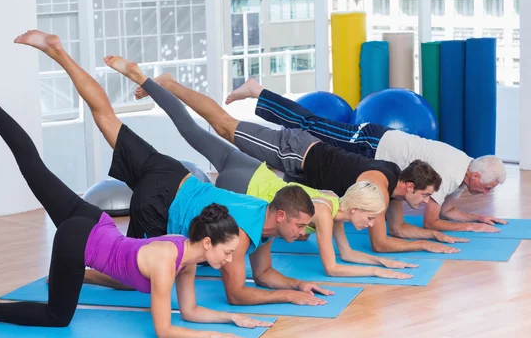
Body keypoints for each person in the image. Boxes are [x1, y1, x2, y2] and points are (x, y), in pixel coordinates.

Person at [0, 65, 272, 338]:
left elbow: (189, 312)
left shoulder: (187, 256)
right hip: (79, 238)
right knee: (56, 317)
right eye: (228, 252)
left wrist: (231, 319)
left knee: (35, 169)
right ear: (207, 242)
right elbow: (165, 330)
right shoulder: (165, 262)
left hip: (95, 222)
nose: (232, 259)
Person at [11, 30, 331, 306]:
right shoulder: (241, 236)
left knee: (107, 117)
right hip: (158, 204)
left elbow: (262, 275)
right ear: (281, 216)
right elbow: (236, 294)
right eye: (301, 225)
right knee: (135, 275)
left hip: (173, 172)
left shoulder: (263, 217)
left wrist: (296, 285)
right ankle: (80, 274)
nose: (304, 233)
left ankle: (58, 52)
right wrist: (287, 297)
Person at [110, 60, 418, 279]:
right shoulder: (324, 214)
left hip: (253, 170)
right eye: (371, 216)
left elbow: (347, 254)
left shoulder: (333, 205)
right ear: (357, 208)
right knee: (213, 234)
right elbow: (334, 266)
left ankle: (150, 82)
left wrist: (381, 263)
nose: (373, 222)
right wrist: (380, 271)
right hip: (247, 187)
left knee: (193, 130)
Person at [134, 76, 470, 255]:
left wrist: (431, 238)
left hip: (297, 171)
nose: (427, 203)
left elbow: (394, 230)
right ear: (409, 186)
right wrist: (428, 240)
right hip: (298, 152)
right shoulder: (377, 189)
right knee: (224, 126)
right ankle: (171, 86)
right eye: (425, 197)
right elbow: (382, 240)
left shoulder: (392, 187)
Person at [226, 80, 508, 234]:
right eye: (487, 187)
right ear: (476, 175)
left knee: (312, 140)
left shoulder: (463, 171)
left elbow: (446, 210)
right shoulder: (449, 174)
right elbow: (431, 221)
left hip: (375, 158)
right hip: (371, 143)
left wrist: (477, 219)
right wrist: (468, 227)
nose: (485, 193)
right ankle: (257, 91)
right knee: (310, 124)